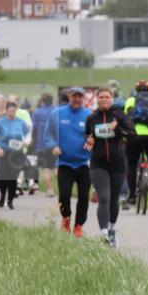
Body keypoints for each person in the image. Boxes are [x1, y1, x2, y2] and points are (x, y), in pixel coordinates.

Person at [85, 88, 135, 246]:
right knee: (104, 197)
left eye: (107, 97)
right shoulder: (92, 118)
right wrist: (89, 140)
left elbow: (133, 135)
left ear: (112, 99)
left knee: (114, 200)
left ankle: (112, 229)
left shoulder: (120, 115)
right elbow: (87, 135)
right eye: (101, 97)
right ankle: (104, 234)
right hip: (98, 164)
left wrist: (118, 129)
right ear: (97, 99)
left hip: (118, 163)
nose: (104, 99)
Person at [49, 87, 93, 236]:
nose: (77, 99)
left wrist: (92, 140)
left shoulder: (89, 115)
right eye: (74, 96)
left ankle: (79, 225)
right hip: (65, 163)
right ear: (69, 96)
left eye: (80, 97)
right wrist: (53, 146)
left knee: (84, 196)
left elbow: (95, 135)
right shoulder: (57, 113)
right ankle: (66, 219)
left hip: (83, 163)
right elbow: (47, 135)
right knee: (64, 195)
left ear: (83, 98)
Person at [124, 80, 148, 205]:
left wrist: (125, 136)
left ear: (137, 90)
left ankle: (132, 196)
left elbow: (124, 119)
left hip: (134, 135)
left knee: (132, 164)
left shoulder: (130, 101)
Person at [0, 100, 31, 209]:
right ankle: (3, 195)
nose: (12, 110)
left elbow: (28, 133)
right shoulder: (0, 122)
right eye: (10, 108)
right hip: (4, 153)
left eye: (14, 108)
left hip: (17, 153)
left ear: (16, 110)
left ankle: (10, 200)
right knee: (4, 177)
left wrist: (27, 141)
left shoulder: (21, 122)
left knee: (13, 177)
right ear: (7, 109)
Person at [31, 93, 56, 197]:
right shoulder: (56, 111)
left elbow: (34, 128)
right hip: (55, 143)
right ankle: (63, 187)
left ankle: (50, 190)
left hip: (41, 144)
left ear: (42, 101)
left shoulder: (37, 112)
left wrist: (33, 140)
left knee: (44, 168)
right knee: (56, 167)